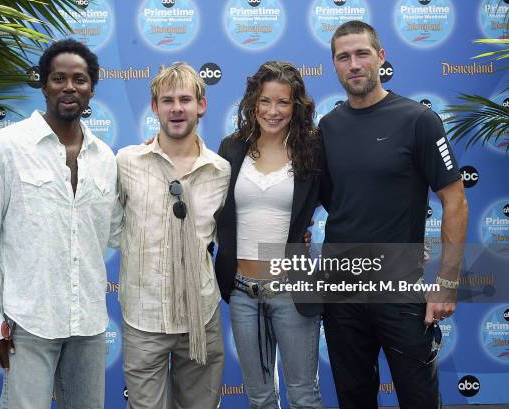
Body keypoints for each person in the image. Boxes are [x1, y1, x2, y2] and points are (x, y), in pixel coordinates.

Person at [319, 21, 468, 409]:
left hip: (400, 291)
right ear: (334, 65)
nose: (353, 64)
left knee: (419, 398)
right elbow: (336, 202)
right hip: (341, 291)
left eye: (362, 53)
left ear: (381, 57)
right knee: (354, 399)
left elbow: (455, 202)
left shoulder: (418, 119)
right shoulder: (328, 127)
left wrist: (447, 283)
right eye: (343, 57)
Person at [0, 39, 121, 409]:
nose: (70, 87)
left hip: (88, 322)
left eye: (80, 80)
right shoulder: (4, 147)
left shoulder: (105, 158)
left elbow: (117, 231)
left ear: (92, 89)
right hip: (28, 321)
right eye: (59, 78)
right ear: (43, 84)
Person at [116, 62, 230, 409]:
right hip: (143, 316)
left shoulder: (220, 170)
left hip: (201, 318)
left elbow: (225, 237)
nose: (177, 108)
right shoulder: (126, 162)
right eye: (167, 100)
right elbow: (108, 226)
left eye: (185, 99)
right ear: (155, 107)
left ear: (202, 105)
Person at [215, 61, 325, 409]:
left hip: (292, 290)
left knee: (303, 396)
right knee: (260, 398)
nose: (273, 111)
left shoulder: (313, 151)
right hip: (242, 291)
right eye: (265, 101)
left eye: (283, 102)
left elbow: (346, 205)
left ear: (296, 106)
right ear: (253, 103)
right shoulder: (232, 148)